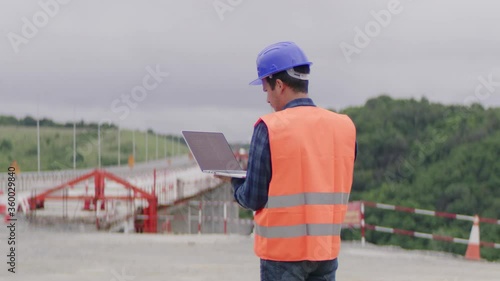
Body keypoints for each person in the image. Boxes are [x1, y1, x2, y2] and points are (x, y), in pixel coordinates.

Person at [223, 41, 357, 281]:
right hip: (325, 252)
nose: (267, 100)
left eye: (266, 90)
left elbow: (253, 197)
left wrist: (233, 181)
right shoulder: (344, 126)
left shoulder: (270, 128)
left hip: (283, 256)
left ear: (280, 85)